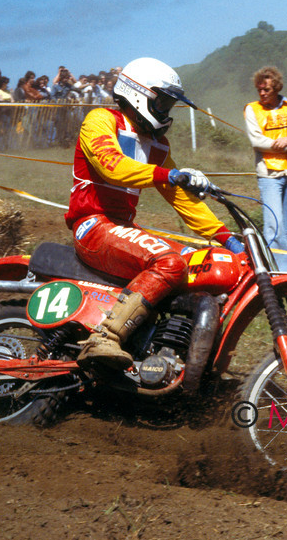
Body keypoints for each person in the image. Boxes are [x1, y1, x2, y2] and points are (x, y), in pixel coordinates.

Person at [65, 57, 243, 369]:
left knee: (204, 263)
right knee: (169, 262)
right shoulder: (101, 120)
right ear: (137, 94)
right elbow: (113, 167)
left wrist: (227, 238)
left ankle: (189, 360)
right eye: (162, 102)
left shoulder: (158, 145)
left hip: (121, 229)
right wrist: (167, 175)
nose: (166, 111)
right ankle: (105, 337)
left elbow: (182, 200)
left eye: (169, 105)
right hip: (92, 225)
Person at [243, 66, 287, 273]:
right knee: (274, 224)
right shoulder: (252, 109)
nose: (262, 94)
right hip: (268, 175)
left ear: (277, 88)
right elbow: (257, 141)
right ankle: (277, 270)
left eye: (267, 90)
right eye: (259, 90)